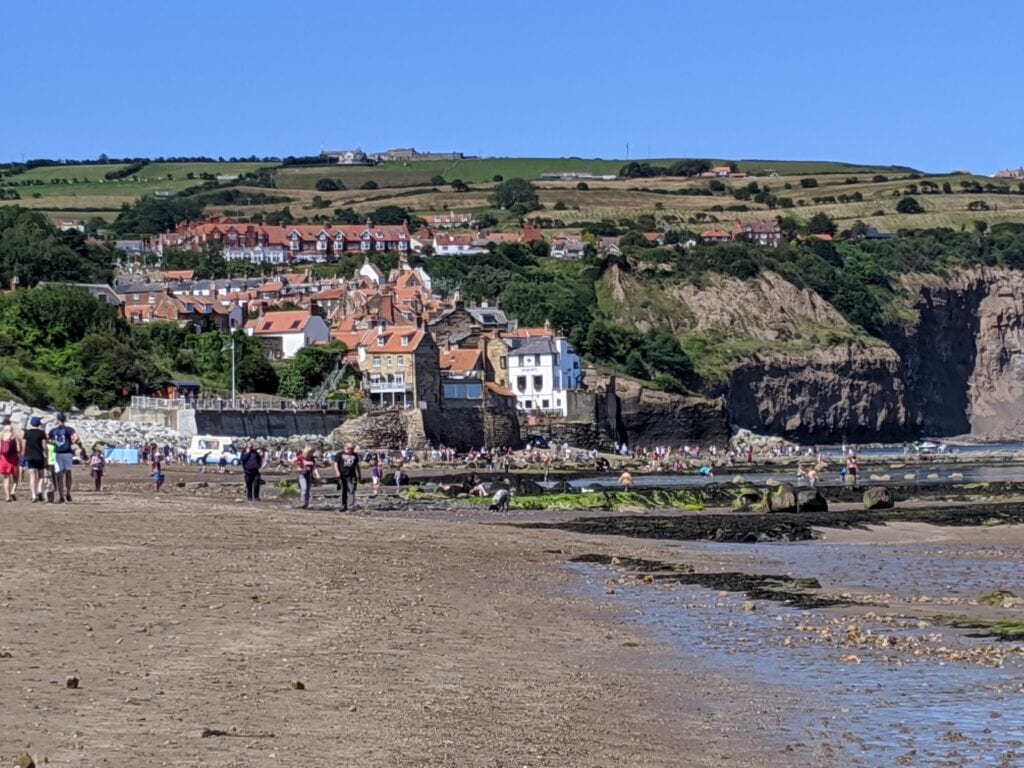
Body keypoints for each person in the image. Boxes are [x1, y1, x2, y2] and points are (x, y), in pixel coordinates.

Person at [48, 412, 80, 503]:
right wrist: (73, 442)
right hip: (68, 453)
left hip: (57, 454)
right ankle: (68, 492)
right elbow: (76, 438)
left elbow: (48, 440)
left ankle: (61, 495)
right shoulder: (69, 429)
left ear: (58, 420)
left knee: (59, 475)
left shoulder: (53, 431)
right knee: (68, 473)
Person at [22, 416, 47, 503]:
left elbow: (24, 445)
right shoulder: (41, 433)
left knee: (32, 476)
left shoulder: (27, 433)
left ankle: (33, 495)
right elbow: (44, 446)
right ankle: (39, 489)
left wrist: (23, 455)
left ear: (31, 423)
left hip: (30, 456)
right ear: (39, 424)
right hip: (39, 456)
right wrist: (45, 453)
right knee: (41, 476)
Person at [0, 417, 22, 502]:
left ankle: (7, 496)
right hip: (13, 459)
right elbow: (19, 449)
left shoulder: (1, 436)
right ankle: (13, 491)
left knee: (6, 478)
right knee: (16, 479)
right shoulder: (14, 436)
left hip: (4, 459)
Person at [334, 442, 361, 511]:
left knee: (351, 490)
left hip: (351, 475)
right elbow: (335, 463)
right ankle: (343, 505)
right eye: (349, 448)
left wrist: (359, 474)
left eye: (352, 448)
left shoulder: (355, 455)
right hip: (342, 475)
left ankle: (351, 506)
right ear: (345, 447)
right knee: (344, 490)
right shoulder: (339, 454)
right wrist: (337, 472)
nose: (351, 450)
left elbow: (357, 465)